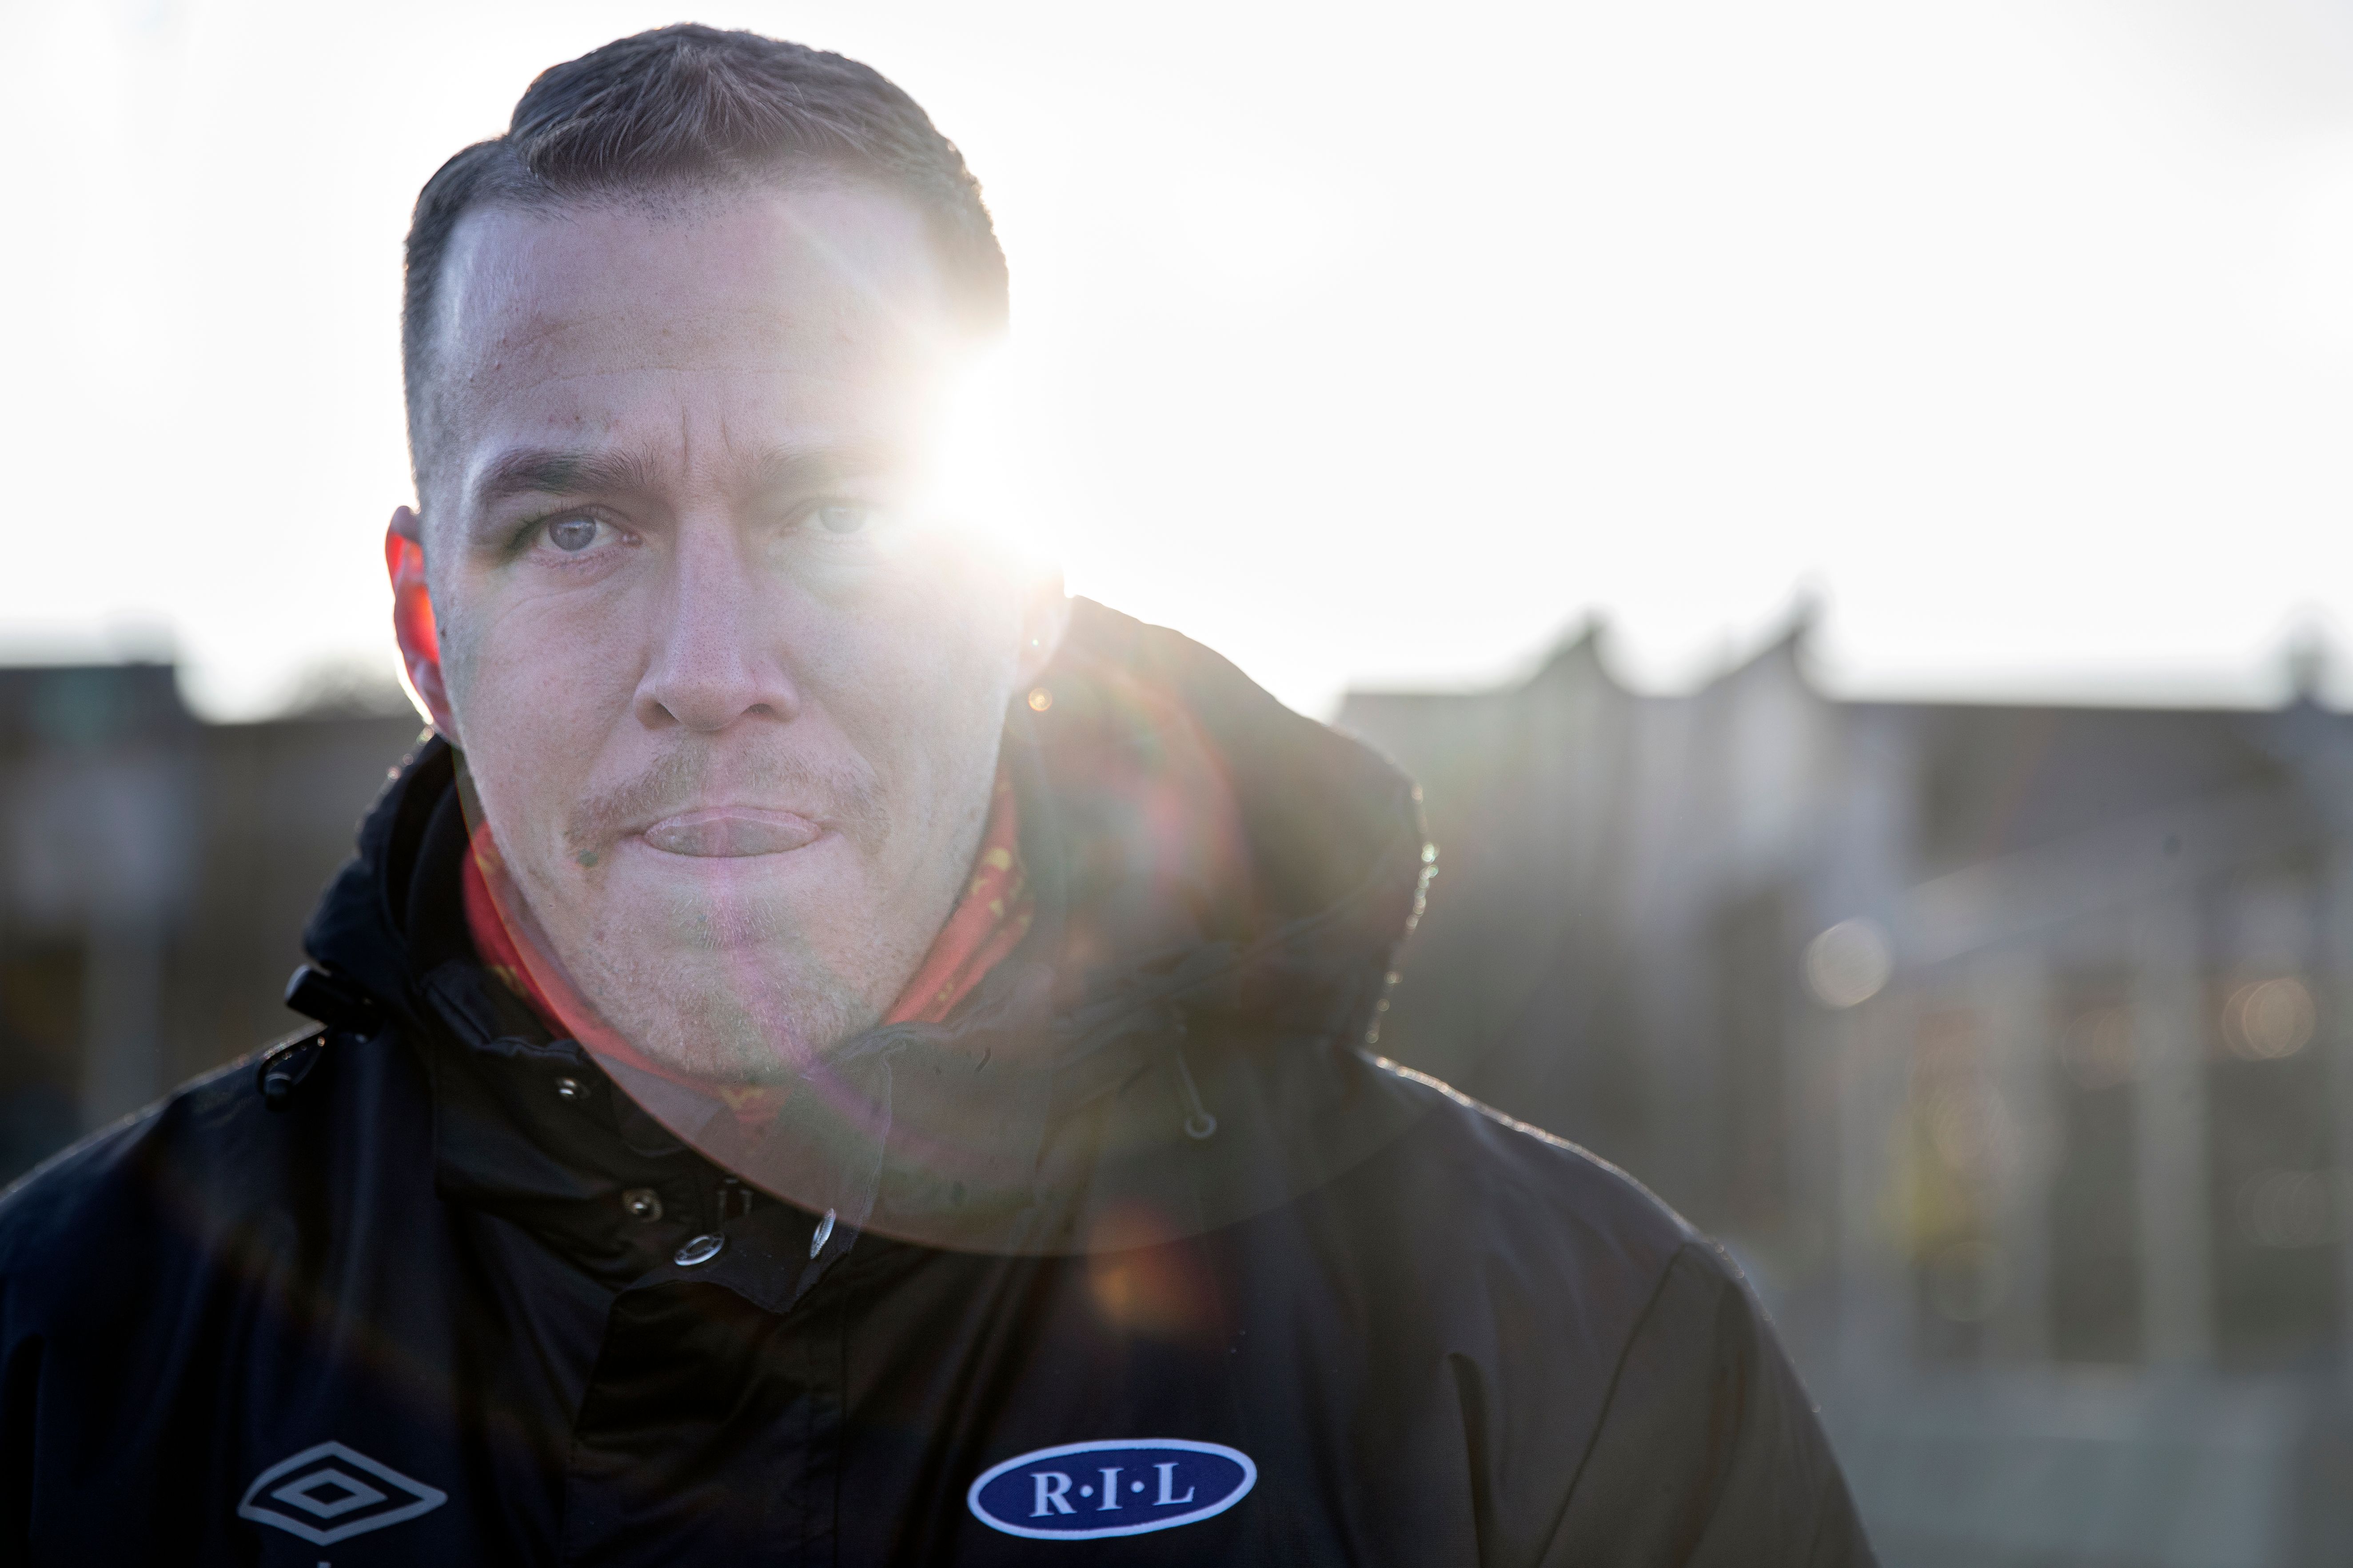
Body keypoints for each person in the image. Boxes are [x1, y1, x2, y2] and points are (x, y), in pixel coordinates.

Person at [0, 25, 1871, 1564]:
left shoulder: (1566, 1361)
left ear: (1016, 590)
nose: (710, 664)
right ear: (428, 624)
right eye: (576, 526)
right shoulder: (65, 1348)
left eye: (834, 516)